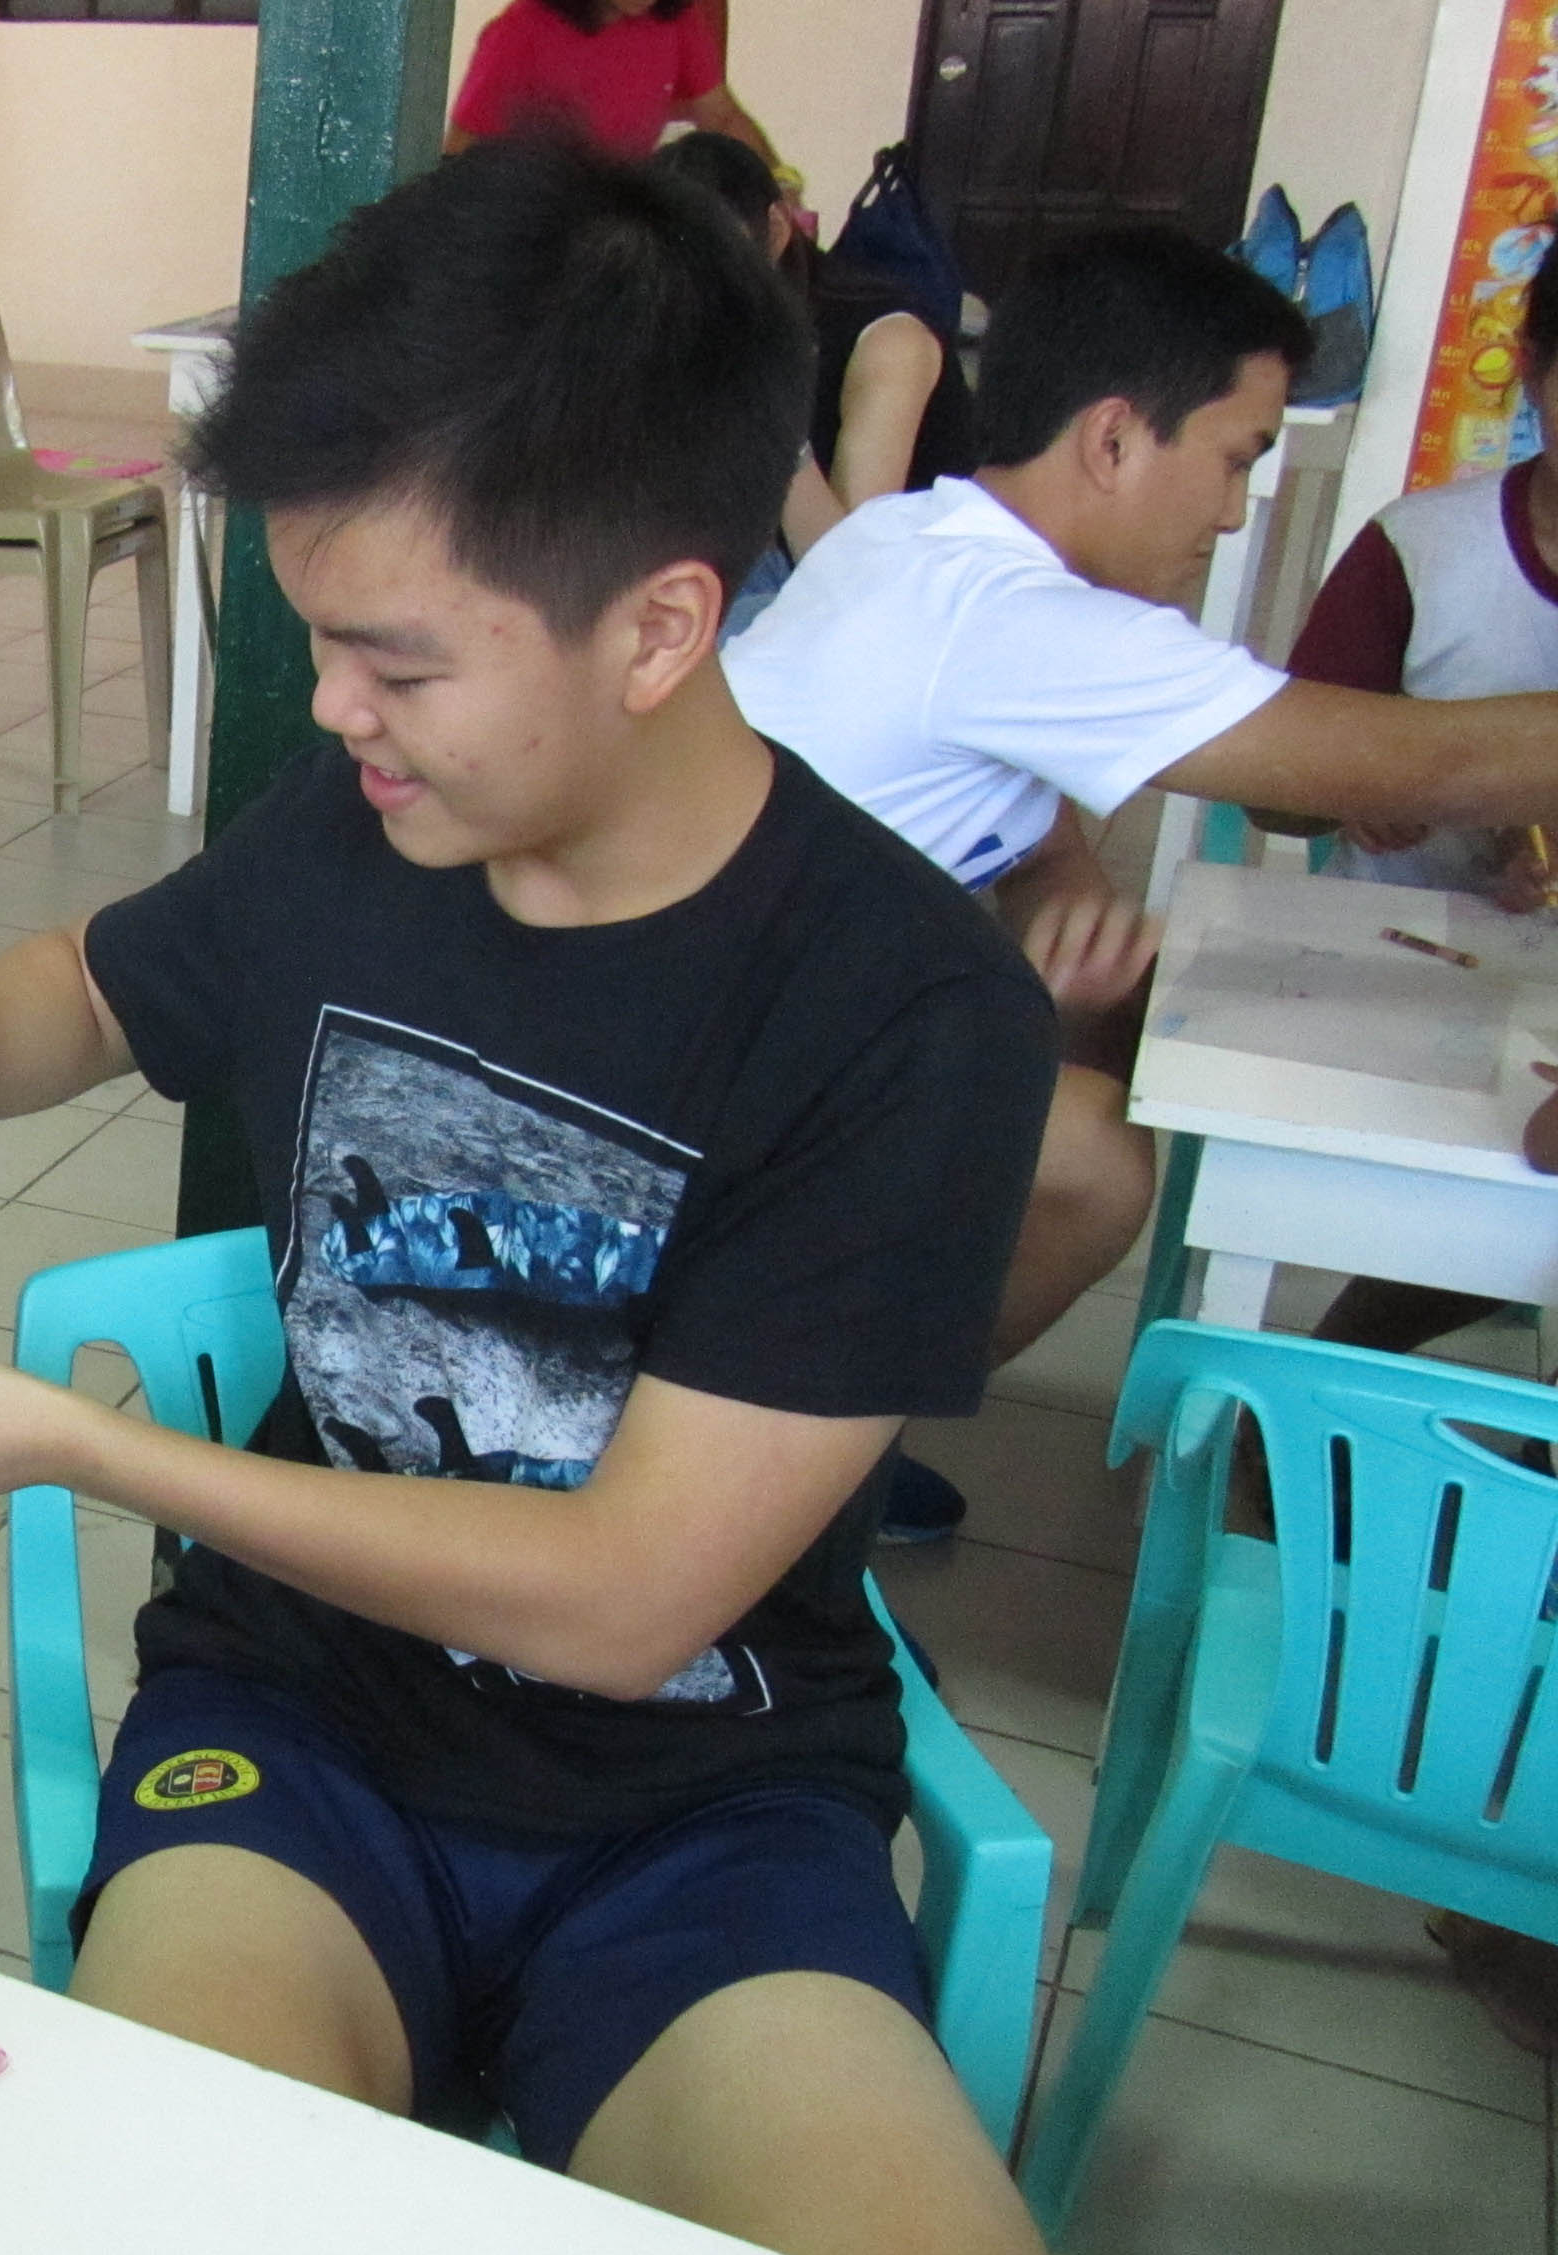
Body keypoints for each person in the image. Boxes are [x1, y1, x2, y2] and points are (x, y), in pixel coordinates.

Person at [0, 138, 1075, 2255]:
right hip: (300, 1737)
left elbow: (629, 1599)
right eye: (319, 639)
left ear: (661, 626)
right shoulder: (368, 831)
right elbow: (91, 984)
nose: (334, 710)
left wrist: (80, 1448)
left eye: (392, 660)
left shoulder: (906, 1015)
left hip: (705, 1812)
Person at [727, 225, 1558, 1389]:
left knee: (1099, 1034)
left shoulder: (917, 539)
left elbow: (1013, 768)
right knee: (1097, 1166)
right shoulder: (1037, 624)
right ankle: (806, 1426)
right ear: (1114, 439)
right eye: (1233, 460)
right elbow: (1429, 768)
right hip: (697, 1071)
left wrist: (1064, 876)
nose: (1231, 514)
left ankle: (812, 1376)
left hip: (706, 1013)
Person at [1266, 255, 1558, 1364]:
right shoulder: (1424, 547)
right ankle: (1332, 1379)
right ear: (1530, 371)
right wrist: (1360, 787)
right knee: (1461, 1207)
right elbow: (1285, 791)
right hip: (1402, 966)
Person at [656, 130, 968, 629]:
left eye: (715, 255)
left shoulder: (888, 340)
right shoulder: (682, 317)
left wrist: (768, 413)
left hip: (896, 598)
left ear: (777, 229)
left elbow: (848, 572)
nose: (694, 284)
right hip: (768, 574)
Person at [450, 0, 790, 177]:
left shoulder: (675, 21)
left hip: (619, 222)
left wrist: (781, 179)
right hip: (536, 225)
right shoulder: (521, 30)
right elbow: (459, 152)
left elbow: (722, 117)